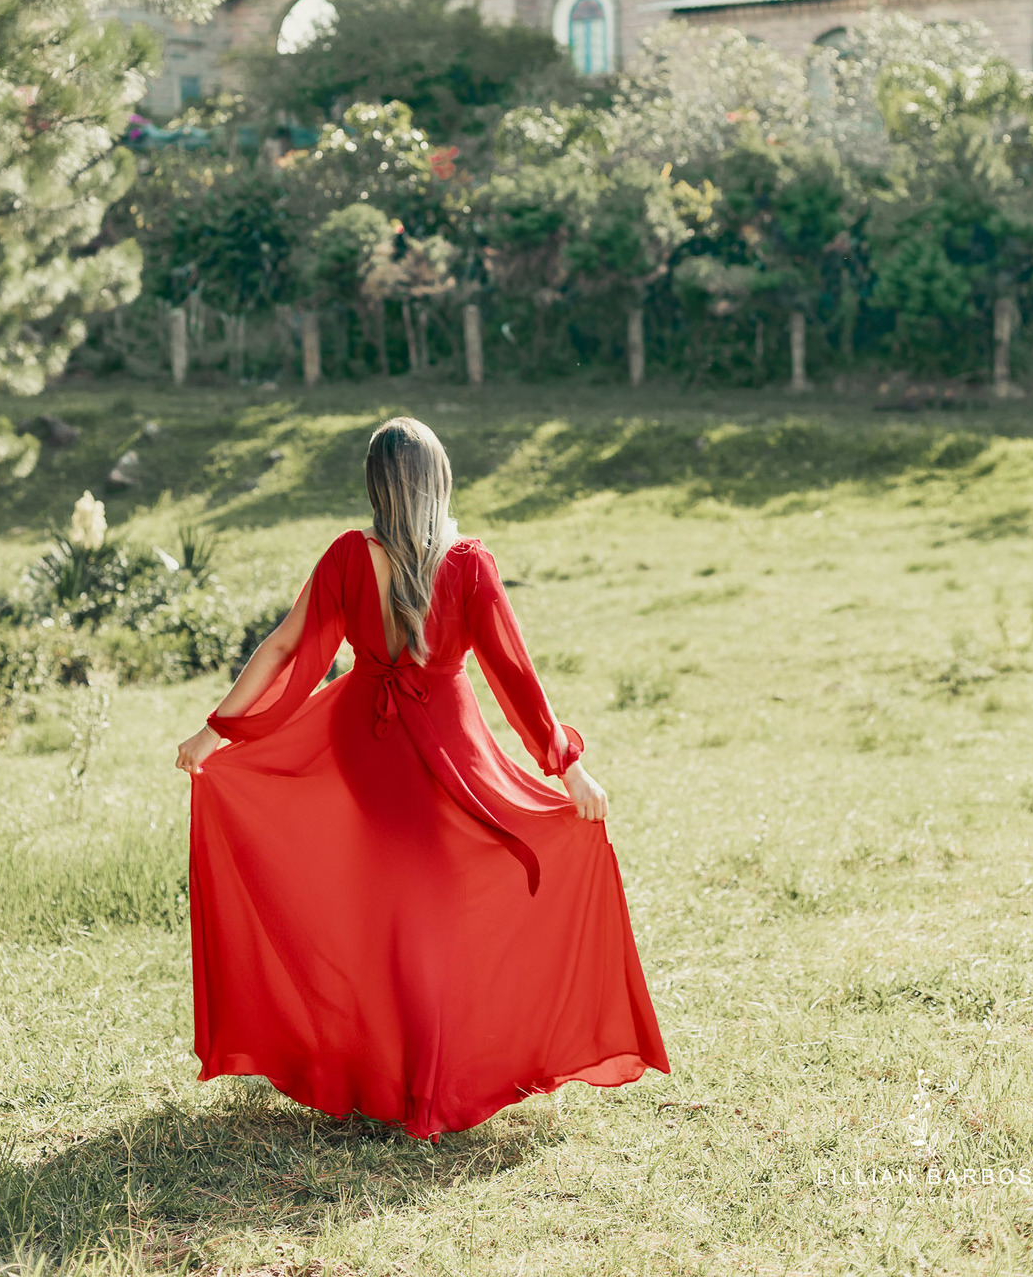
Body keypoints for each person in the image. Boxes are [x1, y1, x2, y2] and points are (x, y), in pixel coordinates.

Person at [177, 416, 668, 1140]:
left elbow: (285, 646)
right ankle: (423, 1083)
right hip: (445, 748)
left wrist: (216, 730)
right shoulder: (468, 563)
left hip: (363, 746)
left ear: (376, 485)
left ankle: (387, 1072)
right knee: (431, 917)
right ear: (439, 478)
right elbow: (514, 675)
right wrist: (568, 768)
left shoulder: (350, 555)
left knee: (389, 911)